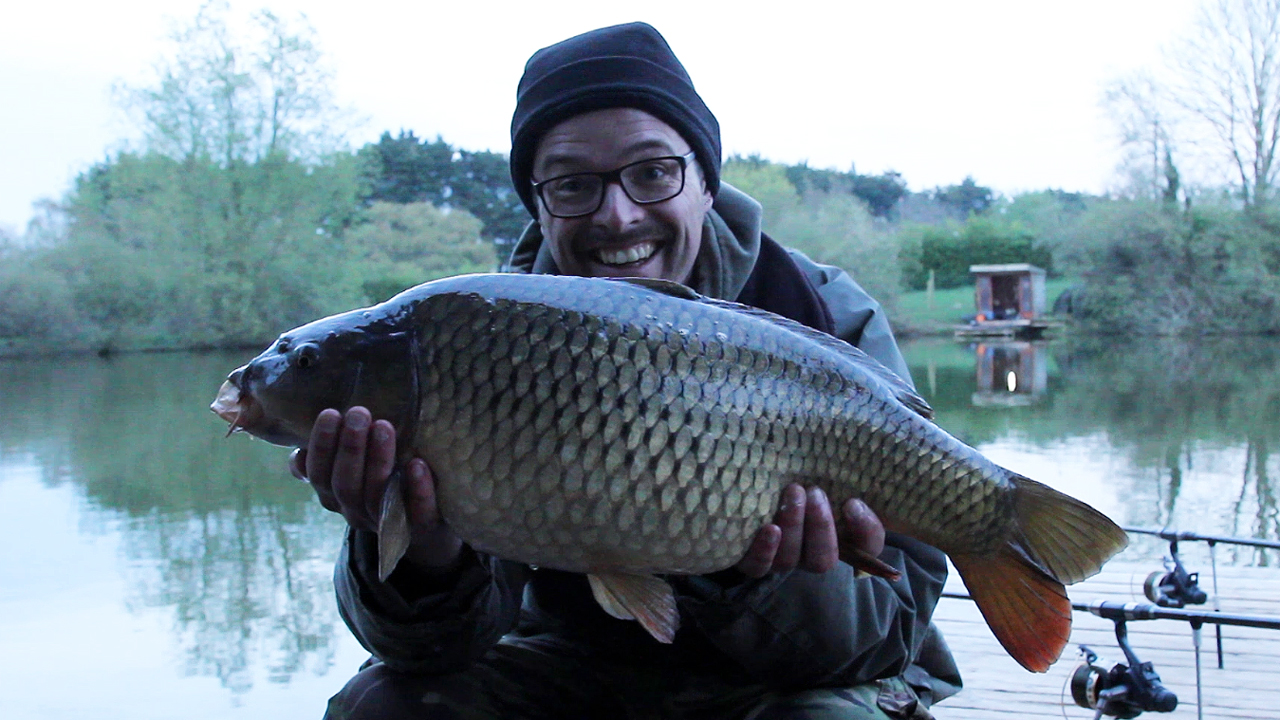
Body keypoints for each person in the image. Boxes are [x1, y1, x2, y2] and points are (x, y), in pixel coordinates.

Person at [295, 22, 961, 720]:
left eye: (652, 172)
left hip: (777, 681)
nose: (618, 216)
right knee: (385, 706)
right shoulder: (475, 343)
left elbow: (890, 633)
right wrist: (426, 557)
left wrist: (761, 577)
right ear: (539, 206)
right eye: (574, 185)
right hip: (568, 665)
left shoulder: (822, 314)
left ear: (705, 182)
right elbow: (422, 652)